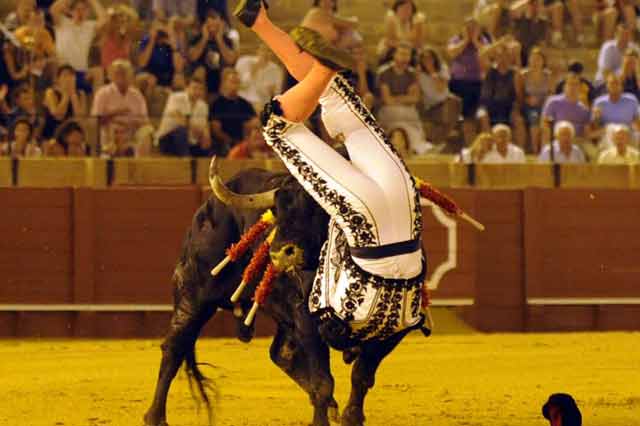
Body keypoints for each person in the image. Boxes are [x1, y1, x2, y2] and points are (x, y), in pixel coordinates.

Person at [235, 0, 427, 345]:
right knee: (281, 122)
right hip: (376, 231)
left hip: (401, 219)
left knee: (320, 98)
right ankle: (317, 65)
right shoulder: (331, 309)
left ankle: (259, 23)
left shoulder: (358, 317)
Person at [377, 42, 433, 155]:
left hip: (408, 112)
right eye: (402, 54)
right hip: (390, 112)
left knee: (412, 123)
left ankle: (413, 149)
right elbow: (387, 100)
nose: (404, 58)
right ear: (394, 55)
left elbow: (415, 98)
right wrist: (405, 98)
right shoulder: (384, 73)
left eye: (407, 55)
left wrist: (396, 98)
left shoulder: (412, 74)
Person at [447, 17, 490, 145]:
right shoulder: (456, 40)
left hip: (476, 84)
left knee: (470, 117)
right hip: (458, 83)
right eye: (468, 28)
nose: (471, 31)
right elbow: (451, 53)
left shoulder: (482, 41)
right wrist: (466, 40)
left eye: (474, 28)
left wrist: (475, 41)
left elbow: (486, 54)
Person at [91, 59, 149, 152]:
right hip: (110, 136)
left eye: (125, 73)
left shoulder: (137, 95)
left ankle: (140, 162)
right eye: (118, 73)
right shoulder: (102, 93)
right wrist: (116, 113)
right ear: (110, 75)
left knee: (147, 132)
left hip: (132, 136)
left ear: (131, 75)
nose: (121, 76)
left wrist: (130, 124)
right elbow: (95, 121)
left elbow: (145, 121)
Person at [51, 0, 107, 93]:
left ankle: (98, 106)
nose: (80, 12)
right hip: (63, 71)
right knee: (66, 76)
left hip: (81, 72)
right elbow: (54, 9)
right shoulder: (62, 22)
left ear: (88, 12)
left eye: (84, 10)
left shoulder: (90, 26)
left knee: (98, 71)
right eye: (77, 9)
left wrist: (92, 1)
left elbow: (104, 19)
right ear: (70, 11)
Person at [156, 76, 211, 156]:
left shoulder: (203, 106)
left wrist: (206, 135)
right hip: (168, 138)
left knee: (206, 141)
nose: (197, 91)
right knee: (181, 131)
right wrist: (196, 129)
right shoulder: (175, 98)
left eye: (200, 89)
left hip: (191, 140)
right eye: (195, 88)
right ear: (187, 88)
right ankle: (186, 160)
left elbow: (204, 125)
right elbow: (178, 118)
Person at [188, 8, 237, 96]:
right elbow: (192, 57)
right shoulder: (197, 39)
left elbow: (230, 60)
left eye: (216, 25)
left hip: (219, 75)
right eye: (210, 25)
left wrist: (219, 40)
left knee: (227, 71)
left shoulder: (227, 40)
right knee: (200, 71)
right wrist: (204, 39)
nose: (213, 28)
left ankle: (221, 104)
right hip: (203, 75)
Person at [417, 47, 461, 145]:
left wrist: (433, 73)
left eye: (430, 58)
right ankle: (445, 135)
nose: (427, 61)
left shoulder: (442, 68)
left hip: (444, 101)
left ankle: (444, 135)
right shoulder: (419, 73)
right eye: (424, 58)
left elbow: (441, 88)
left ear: (434, 58)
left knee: (455, 101)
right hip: (430, 105)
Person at [209, 67, 256, 155]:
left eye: (237, 82)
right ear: (224, 83)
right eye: (232, 82)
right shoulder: (216, 104)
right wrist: (232, 142)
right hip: (223, 145)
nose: (235, 85)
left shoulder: (245, 104)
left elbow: (253, 124)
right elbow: (216, 130)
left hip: (244, 145)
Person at [517, 47, 553, 153]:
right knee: (534, 117)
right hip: (529, 106)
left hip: (544, 105)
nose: (535, 62)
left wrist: (542, 101)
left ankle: (544, 151)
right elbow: (520, 95)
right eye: (533, 59)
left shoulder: (548, 75)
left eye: (538, 59)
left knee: (544, 119)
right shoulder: (523, 75)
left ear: (543, 61)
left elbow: (551, 94)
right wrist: (527, 100)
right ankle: (535, 150)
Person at [477, 44, 517, 131]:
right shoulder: (489, 70)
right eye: (500, 56)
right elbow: (481, 56)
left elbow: (518, 95)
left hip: (507, 107)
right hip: (487, 106)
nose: (502, 59)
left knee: (518, 120)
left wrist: (515, 109)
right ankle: (489, 143)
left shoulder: (514, 73)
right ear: (496, 57)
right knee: (483, 116)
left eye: (505, 56)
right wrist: (498, 43)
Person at [42, 64, 87, 140]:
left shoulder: (81, 94)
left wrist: (73, 95)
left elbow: (80, 118)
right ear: (58, 79)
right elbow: (58, 116)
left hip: (72, 133)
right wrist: (66, 95)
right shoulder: (50, 92)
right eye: (65, 75)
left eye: (71, 75)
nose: (68, 78)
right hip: (53, 132)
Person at [592, 73, 640, 145]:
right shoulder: (599, 102)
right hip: (608, 133)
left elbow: (637, 120)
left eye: (617, 83)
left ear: (621, 86)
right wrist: (596, 118)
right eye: (611, 83)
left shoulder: (631, 100)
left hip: (628, 132)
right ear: (607, 86)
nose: (614, 86)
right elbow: (595, 125)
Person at [542, 73, 591, 142]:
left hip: (578, 142)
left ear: (579, 87)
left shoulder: (584, 109)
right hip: (558, 141)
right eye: (570, 84)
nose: (572, 87)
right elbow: (545, 126)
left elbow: (586, 133)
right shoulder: (553, 102)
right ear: (564, 86)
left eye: (575, 84)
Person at [235, 43, 283, 112]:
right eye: (263, 50)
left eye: (269, 51)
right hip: (242, 99)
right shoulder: (244, 61)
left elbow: (277, 93)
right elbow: (239, 85)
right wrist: (253, 71)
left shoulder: (276, 70)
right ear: (257, 50)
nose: (265, 53)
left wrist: (272, 92)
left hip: (261, 103)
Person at [137, 19, 181, 88]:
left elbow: (178, 68)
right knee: (151, 79)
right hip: (149, 72)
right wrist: (152, 40)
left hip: (167, 74)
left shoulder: (172, 42)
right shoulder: (146, 40)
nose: (161, 33)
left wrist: (174, 47)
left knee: (178, 79)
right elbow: (142, 63)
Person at [98, 4, 138, 71]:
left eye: (126, 19)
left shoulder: (128, 36)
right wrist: (112, 12)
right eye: (120, 16)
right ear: (114, 19)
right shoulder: (106, 33)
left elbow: (134, 19)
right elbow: (103, 19)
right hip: (108, 73)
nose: (122, 20)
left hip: (125, 73)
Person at [510, 0, 548, 66]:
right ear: (529, 6)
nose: (536, 8)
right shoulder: (520, 18)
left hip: (533, 51)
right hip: (521, 50)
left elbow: (542, 41)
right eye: (534, 5)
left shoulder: (542, 23)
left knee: (537, 52)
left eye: (538, 6)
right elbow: (513, 9)